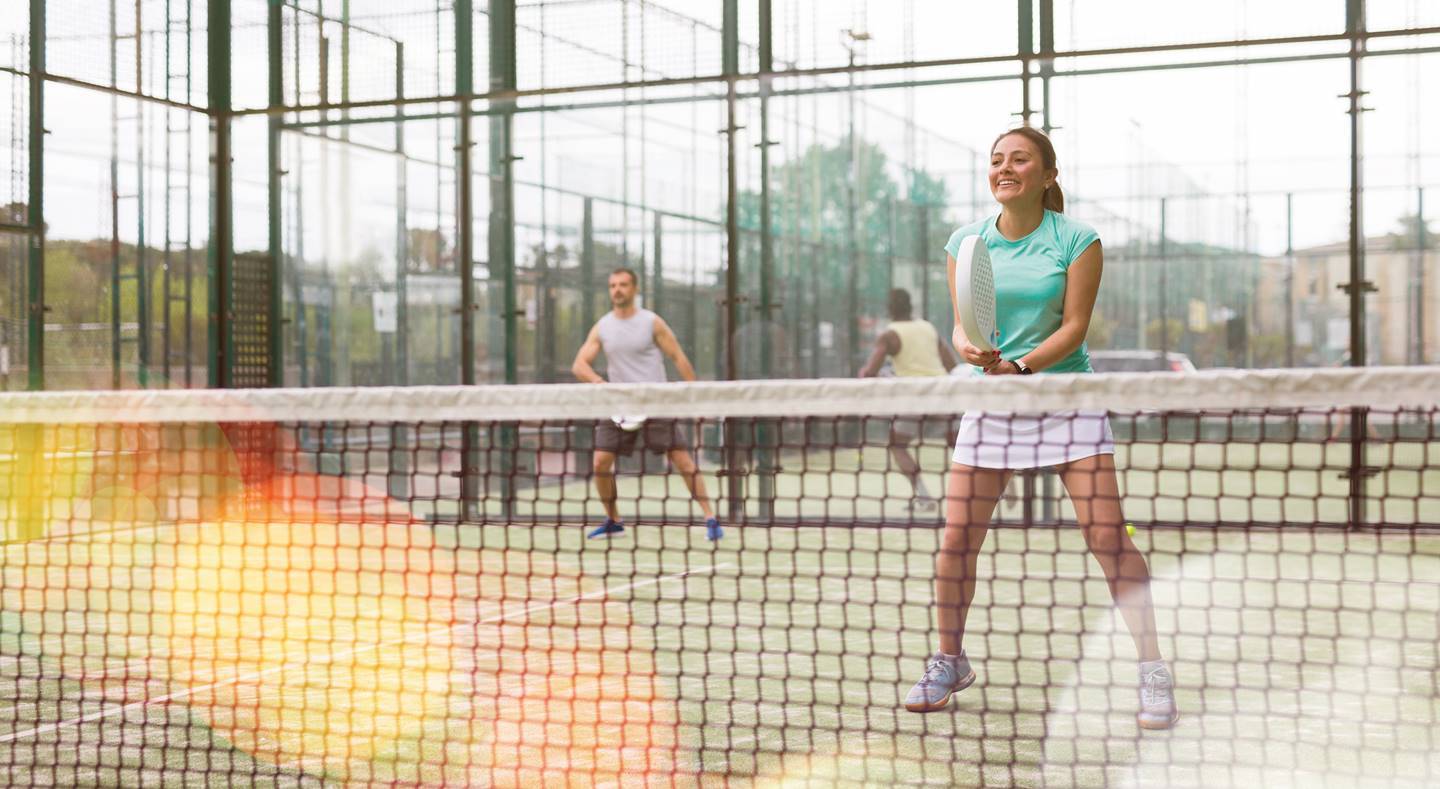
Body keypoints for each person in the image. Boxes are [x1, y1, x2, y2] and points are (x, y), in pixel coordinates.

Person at [903, 127, 1178, 730]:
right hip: (992, 403)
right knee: (956, 541)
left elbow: (1074, 327)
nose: (1004, 168)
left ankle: (1152, 668)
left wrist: (1022, 367)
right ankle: (949, 659)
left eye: (1019, 159)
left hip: (1065, 399)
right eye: (996, 160)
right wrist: (969, 350)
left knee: (1107, 536)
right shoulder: (966, 241)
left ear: (1048, 174)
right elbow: (962, 324)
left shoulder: (1078, 239)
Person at [571, 267, 723, 542]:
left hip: (655, 401)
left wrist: (696, 396)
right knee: (600, 463)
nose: (617, 290)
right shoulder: (603, 327)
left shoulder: (652, 322)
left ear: (635, 289)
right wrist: (600, 383)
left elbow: (677, 357)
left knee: (682, 460)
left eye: (623, 285)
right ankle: (614, 521)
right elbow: (579, 365)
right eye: (613, 285)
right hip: (619, 404)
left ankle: (710, 519)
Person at [858, 288, 959, 511]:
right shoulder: (927, 327)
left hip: (914, 396)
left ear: (889, 308)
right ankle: (994, 488)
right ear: (911, 306)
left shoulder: (889, 335)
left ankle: (924, 497)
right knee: (961, 445)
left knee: (897, 445)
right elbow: (951, 364)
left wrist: (868, 374)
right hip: (941, 392)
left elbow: (870, 372)